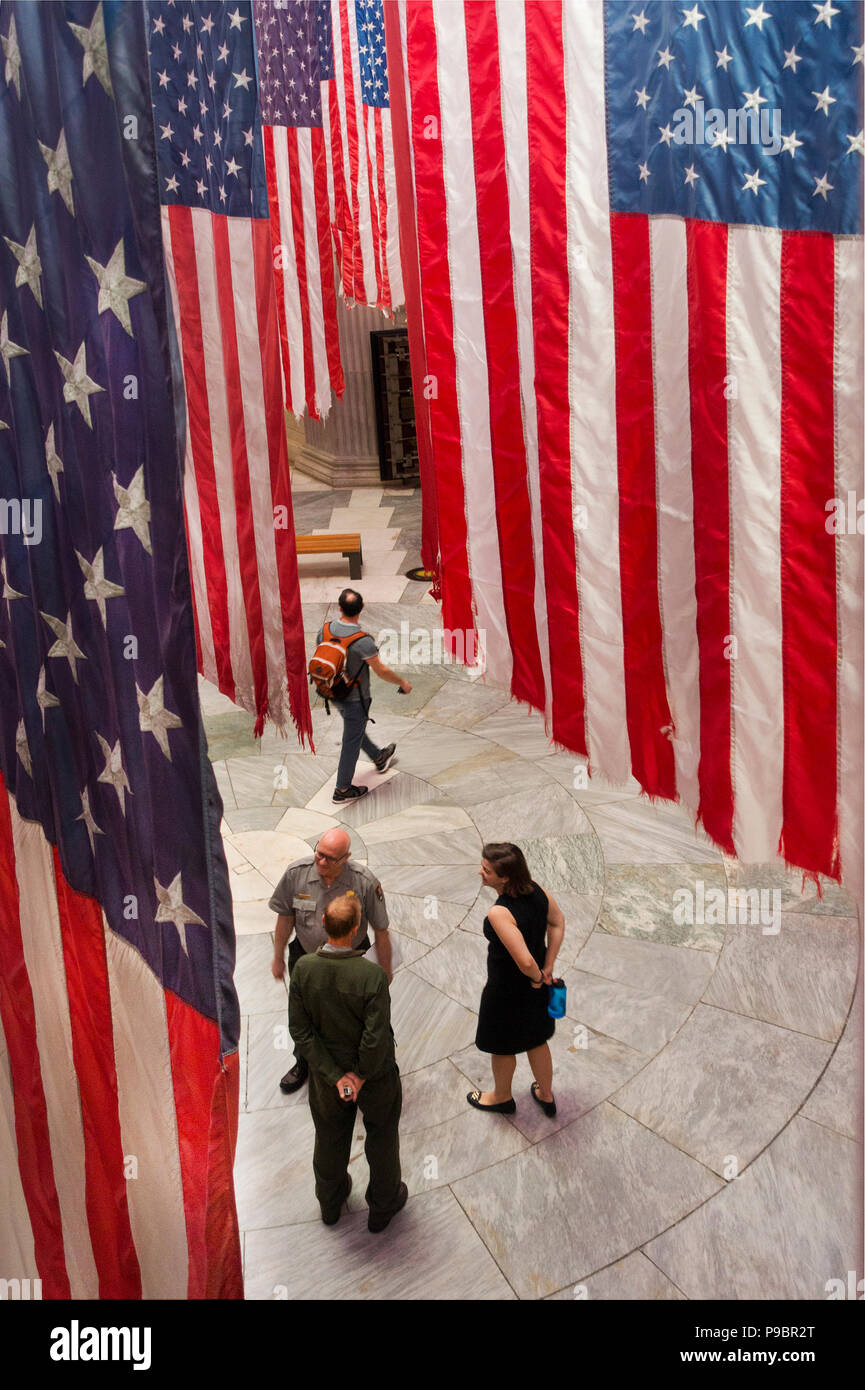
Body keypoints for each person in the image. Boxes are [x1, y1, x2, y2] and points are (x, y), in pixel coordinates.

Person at [288, 893, 407, 1232]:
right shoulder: (371, 976)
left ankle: (330, 1201)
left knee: (328, 1136)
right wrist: (360, 1075)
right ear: (357, 928)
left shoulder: (303, 969)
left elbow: (300, 1030)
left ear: (323, 924)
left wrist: (335, 1075)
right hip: (376, 1077)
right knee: (382, 1137)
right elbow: (376, 1036)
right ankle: (383, 1206)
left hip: (328, 1080)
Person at [270, 827, 392, 1093]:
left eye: (329, 858)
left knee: (356, 1016)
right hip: (307, 959)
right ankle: (303, 1062)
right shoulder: (296, 874)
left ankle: (361, 1068)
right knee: (305, 1016)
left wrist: (385, 971)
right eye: (319, 853)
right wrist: (278, 956)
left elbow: (381, 930)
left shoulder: (364, 882)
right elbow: (286, 918)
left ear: (345, 858)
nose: (321, 862)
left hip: (353, 959)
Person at [467, 842, 565, 1117]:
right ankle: (545, 1093)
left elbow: (523, 961)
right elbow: (557, 922)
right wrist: (548, 967)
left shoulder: (499, 912)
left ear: (505, 877)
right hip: (539, 987)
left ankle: (501, 1097)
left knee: (500, 1045)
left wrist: (535, 976)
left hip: (506, 990)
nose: (480, 872)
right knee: (537, 1040)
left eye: (486, 870)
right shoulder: (537, 890)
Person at [321, 588, 412, 804]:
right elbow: (381, 671)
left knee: (355, 728)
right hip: (355, 699)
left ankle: (379, 758)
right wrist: (403, 683)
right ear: (362, 608)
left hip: (332, 692)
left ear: (339, 608)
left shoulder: (324, 630)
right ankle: (342, 789)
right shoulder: (363, 641)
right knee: (351, 741)